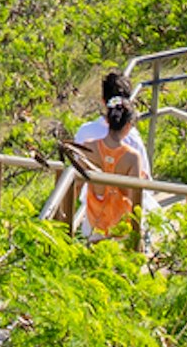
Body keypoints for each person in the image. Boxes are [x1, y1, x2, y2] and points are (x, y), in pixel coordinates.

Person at [66, 72, 154, 247]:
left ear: (104, 103)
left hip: (93, 215)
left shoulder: (87, 139)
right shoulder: (133, 150)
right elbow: (137, 192)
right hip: (121, 221)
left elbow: (75, 180)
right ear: (128, 124)